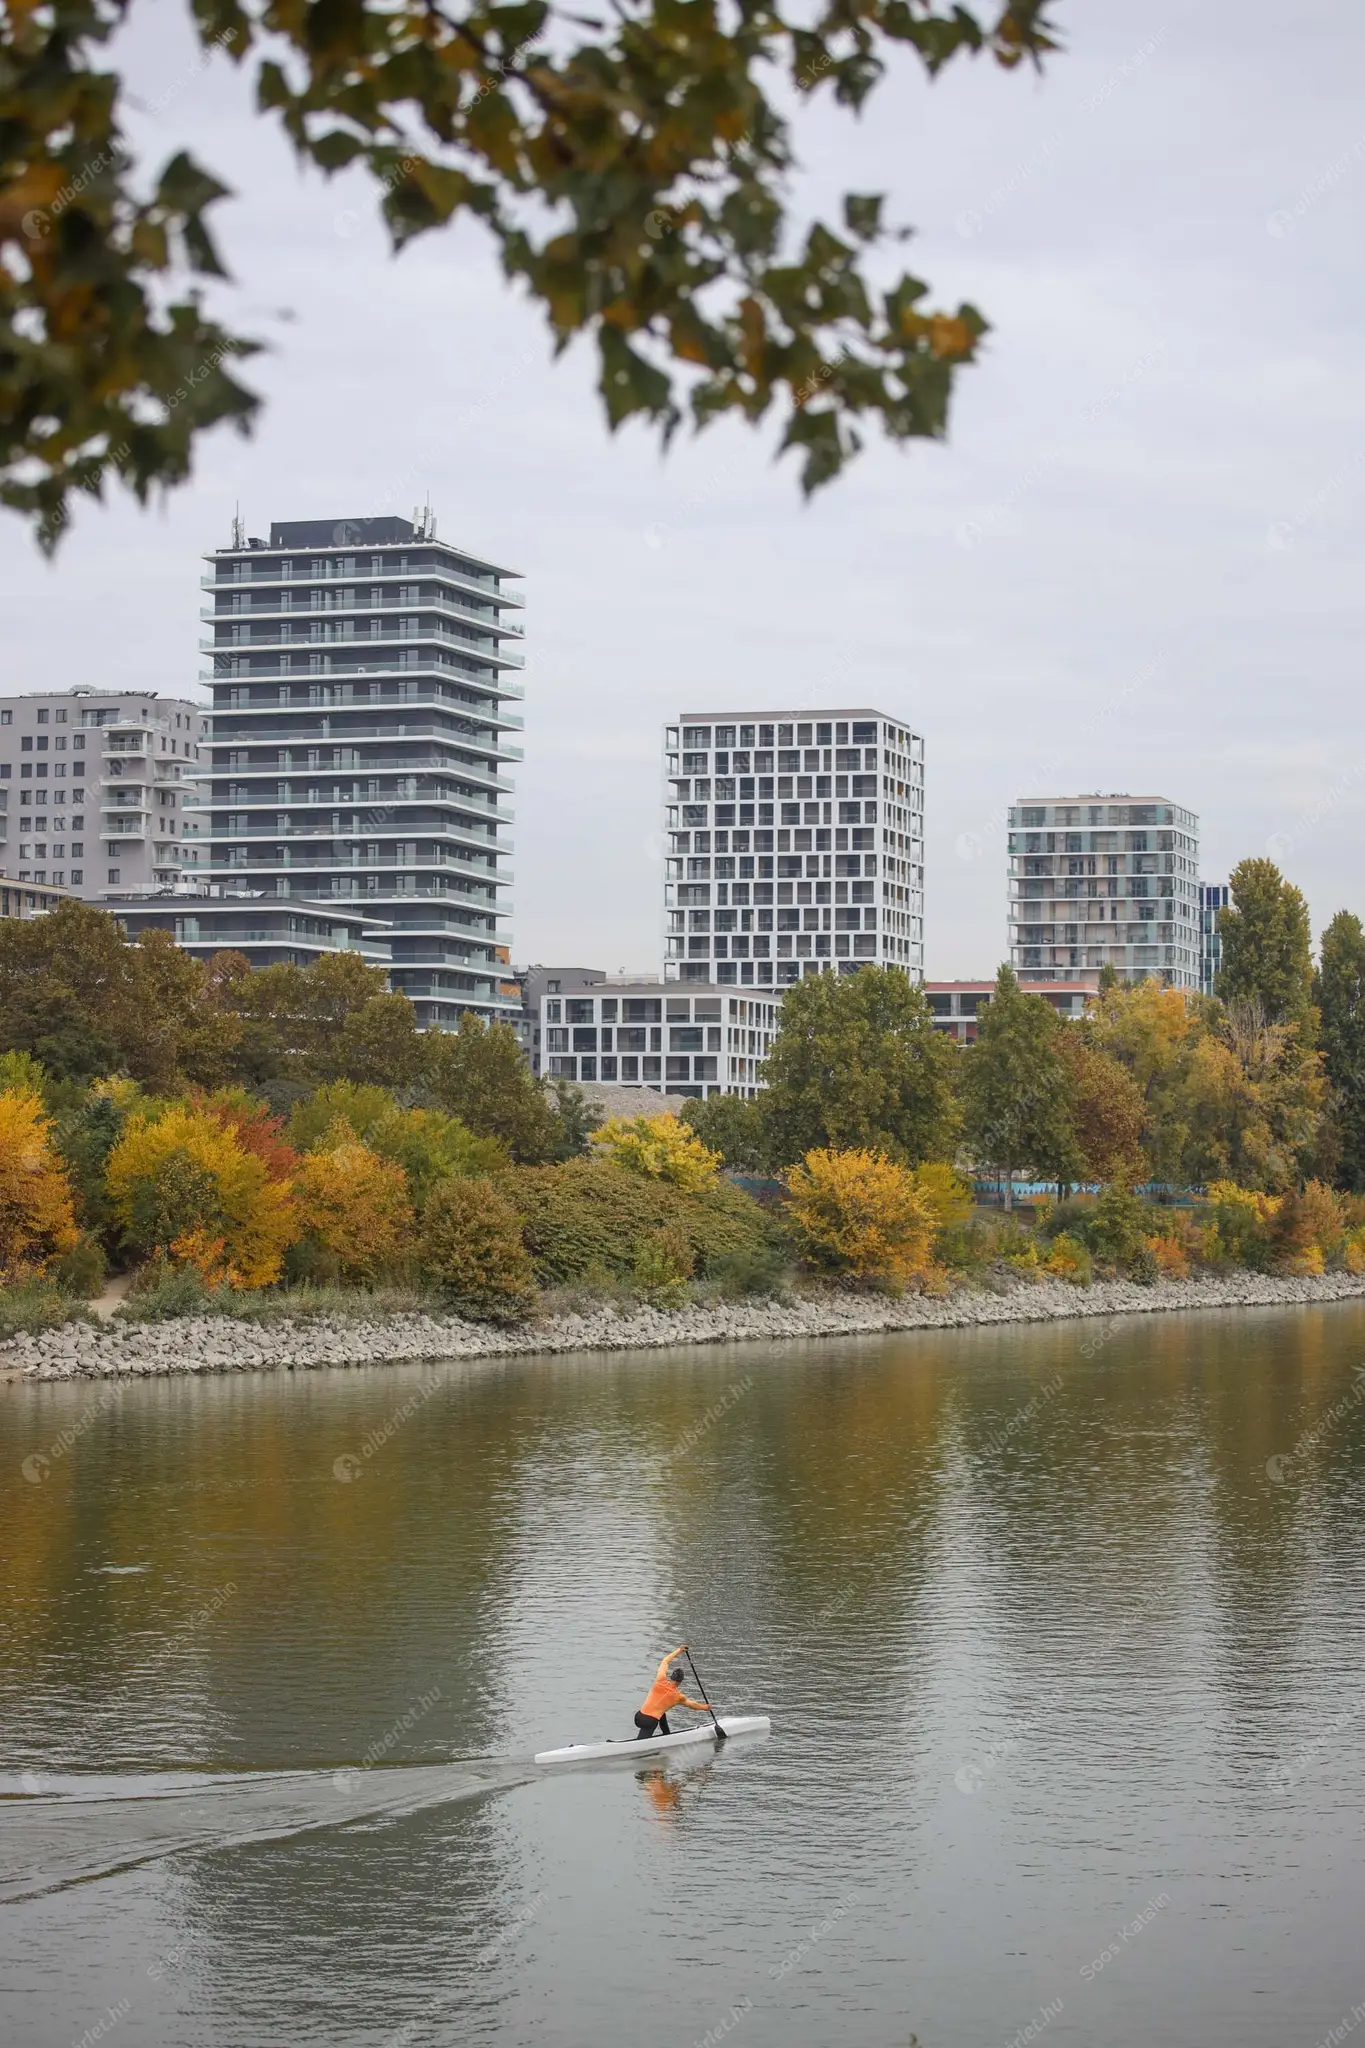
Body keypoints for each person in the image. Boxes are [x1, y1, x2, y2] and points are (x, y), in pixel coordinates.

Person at [635, 1643, 709, 1738]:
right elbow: (692, 1705)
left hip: (638, 1717)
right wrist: (705, 1707)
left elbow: (665, 1661)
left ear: (671, 1677)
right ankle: (639, 1744)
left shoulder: (660, 1680)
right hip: (649, 1722)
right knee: (642, 1740)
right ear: (680, 1682)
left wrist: (679, 1650)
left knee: (661, 1713)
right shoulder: (678, 1697)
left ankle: (667, 1735)